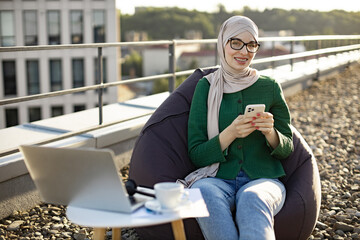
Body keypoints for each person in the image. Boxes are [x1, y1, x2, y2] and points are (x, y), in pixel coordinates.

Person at [183, 16, 294, 240]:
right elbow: (196, 154)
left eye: (251, 44)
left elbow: (287, 148)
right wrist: (230, 133)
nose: (244, 51)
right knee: (202, 192)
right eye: (236, 43)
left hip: (263, 180)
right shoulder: (206, 87)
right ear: (222, 43)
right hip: (217, 179)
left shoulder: (270, 87)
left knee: (253, 197)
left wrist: (271, 133)